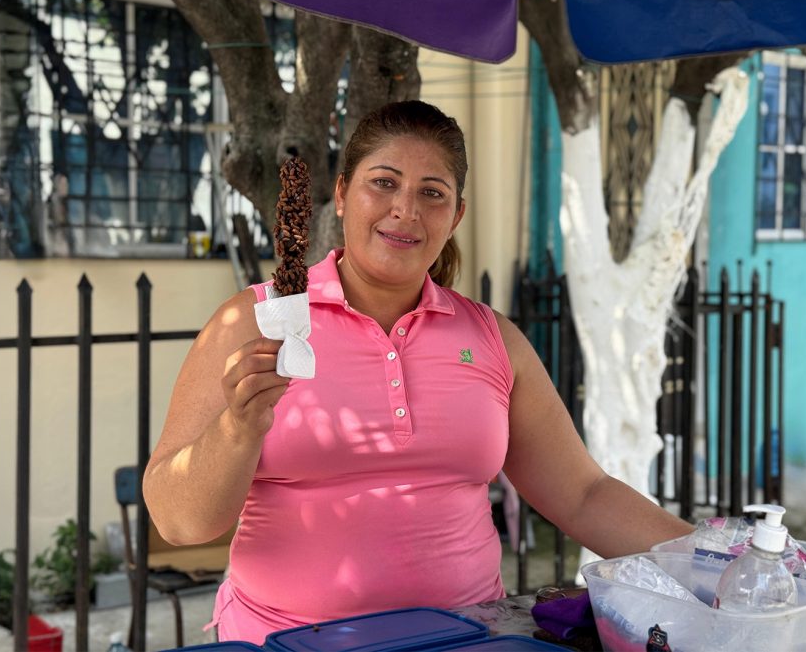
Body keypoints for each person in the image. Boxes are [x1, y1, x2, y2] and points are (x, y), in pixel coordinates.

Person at [143, 100, 694, 643]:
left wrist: (716, 560)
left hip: (466, 638)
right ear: (341, 195)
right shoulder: (253, 322)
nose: (406, 209)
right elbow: (180, 522)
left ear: (455, 216)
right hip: (288, 640)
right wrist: (236, 430)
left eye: (432, 193)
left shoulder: (492, 337)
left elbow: (583, 494)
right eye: (383, 183)